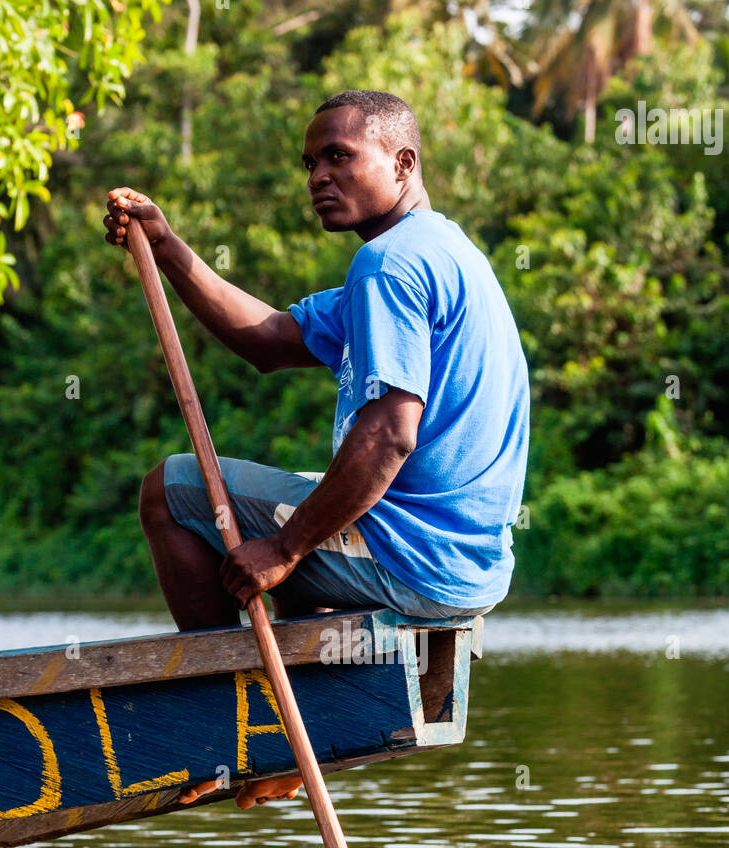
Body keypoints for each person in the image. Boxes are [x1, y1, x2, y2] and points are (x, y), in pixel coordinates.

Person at [105, 88, 529, 807]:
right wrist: (169, 247)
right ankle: (298, 725)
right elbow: (267, 340)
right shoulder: (439, 250)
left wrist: (285, 547)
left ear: (403, 163)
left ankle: (231, 727)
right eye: (309, 163)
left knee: (171, 491)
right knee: (253, 506)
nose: (317, 178)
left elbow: (391, 433)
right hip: (465, 557)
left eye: (338, 156)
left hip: (419, 558)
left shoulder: (391, 266)